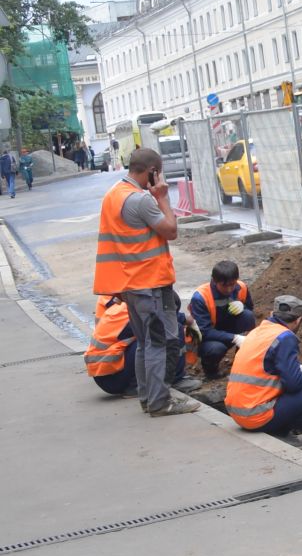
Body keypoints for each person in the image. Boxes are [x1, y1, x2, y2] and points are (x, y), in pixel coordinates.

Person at [93, 146, 198, 416]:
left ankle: (147, 398)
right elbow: (171, 230)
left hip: (131, 282)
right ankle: (160, 403)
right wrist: (162, 196)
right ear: (152, 172)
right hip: (149, 283)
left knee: (145, 342)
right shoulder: (141, 200)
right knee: (158, 342)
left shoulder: (114, 194)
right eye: (159, 174)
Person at [225, 295, 302, 435]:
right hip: (256, 417)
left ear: (272, 314)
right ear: (298, 320)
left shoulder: (257, 332)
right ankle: (292, 431)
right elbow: (294, 384)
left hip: (237, 413)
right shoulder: (285, 337)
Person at [84, 296, 191, 396]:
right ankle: (172, 380)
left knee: (152, 336)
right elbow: (164, 322)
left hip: (103, 375)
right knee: (164, 335)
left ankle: (140, 384)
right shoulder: (137, 316)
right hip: (114, 378)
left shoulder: (129, 308)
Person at [187, 260, 256, 376]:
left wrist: (242, 306)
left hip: (228, 327)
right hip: (206, 337)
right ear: (214, 281)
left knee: (248, 316)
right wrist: (235, 338)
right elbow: (204, 331)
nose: (229, 289)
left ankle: (242, 361)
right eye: (224, 285)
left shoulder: (241, 287)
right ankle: (211, 371)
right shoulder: (200, 297)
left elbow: (250, 308)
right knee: (216, 349)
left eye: (232, 284)